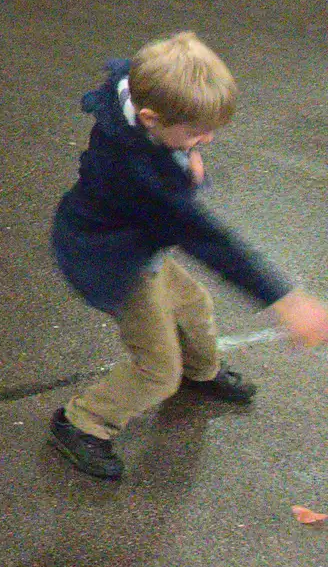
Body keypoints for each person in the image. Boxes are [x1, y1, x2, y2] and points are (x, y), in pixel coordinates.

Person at [48, 31, 328, 478]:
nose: (208, 139)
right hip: (114, 256)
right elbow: (207, 239)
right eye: (198, 133)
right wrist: (287, 300)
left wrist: (187, 149)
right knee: (157, 370)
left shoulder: (137, 92)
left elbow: (162, 125)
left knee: (195, 306)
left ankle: (199, 373)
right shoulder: (134, 174)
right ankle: (83, 421)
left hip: (142, 240)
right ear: (150, 118)